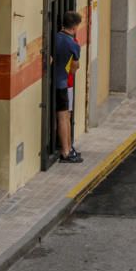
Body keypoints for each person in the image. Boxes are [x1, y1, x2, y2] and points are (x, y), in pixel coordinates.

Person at [53, 10, 83, 163]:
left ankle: (66, 148)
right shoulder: (73, 44)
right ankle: (66, 151)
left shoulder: (55, 38)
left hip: (52, 81)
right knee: (64, 117)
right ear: (75, 27)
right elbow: (74, 67)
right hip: (63, 83)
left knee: (62, 117)